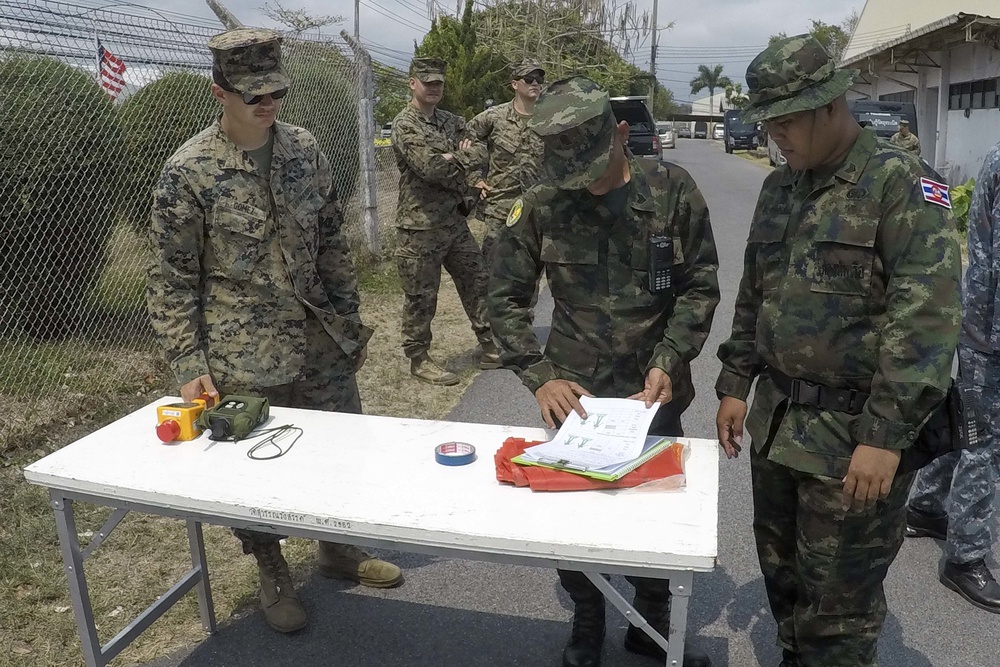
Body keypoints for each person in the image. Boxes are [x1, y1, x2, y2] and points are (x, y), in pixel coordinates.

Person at [714, 35, 961, 667]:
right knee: (785, 583)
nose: (775, 137)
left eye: (787, 122)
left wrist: (884, 437)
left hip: (853, 440)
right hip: (778, 427)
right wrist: (736, 381)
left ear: (832, 104)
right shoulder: (780, 190)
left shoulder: (901, 185)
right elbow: (756, 294)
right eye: (767, 123)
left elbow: (925, 322)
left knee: (839, 614)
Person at [147, 28, 402, 634]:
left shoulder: (304, 150)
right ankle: (271, 566)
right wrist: (188, 361)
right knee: (257, 469)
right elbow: (171, 278)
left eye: (275, 93)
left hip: (319, 339)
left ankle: (339, 548)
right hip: (244, 353)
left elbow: (334, 240)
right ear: (219, 91)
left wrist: (349, 322)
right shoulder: (190, 171)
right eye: (252, 94)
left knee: (342, 450)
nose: (267, 104)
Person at [489, 76, 719, 667]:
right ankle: (587, 619)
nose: (582, 180)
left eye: (591, 162)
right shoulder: (541, 200)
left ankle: (653, 619)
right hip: (576, 392)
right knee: (576, 512)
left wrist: (671, 356)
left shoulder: (672, 190)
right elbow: (505, 300)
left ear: (621, 133)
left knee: (655, 504)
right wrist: (540, 374)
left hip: (653, 386)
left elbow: (700, 285)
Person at [905, 140, 1000, 614]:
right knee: (986, 442)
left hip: (985, 325)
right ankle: (965, 558)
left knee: (967, 421)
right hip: (991, 330)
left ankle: (925, 507)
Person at [390, 57, 499, 386]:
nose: (434, 88)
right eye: (427, 82)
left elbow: (482, 152)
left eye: (438, 83)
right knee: (422, 297)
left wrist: (455, 156)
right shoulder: (404, 124)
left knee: (478, 282)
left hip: (454, 221)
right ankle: (419, 358)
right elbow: (430, 168)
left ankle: (491, 347)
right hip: (419, 227)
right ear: (413, 84)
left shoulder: (452, 122)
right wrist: (458, 158)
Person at [465, 58, 546, 269]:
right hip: (500, 207)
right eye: (529, 79)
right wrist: (474, 178)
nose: (535, 83)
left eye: (539, 79)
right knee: (493, 274)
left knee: (529, 275)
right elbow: (463, 140)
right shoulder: (494, 117)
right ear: (515, 84)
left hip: (536, 210)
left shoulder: (550, 119)